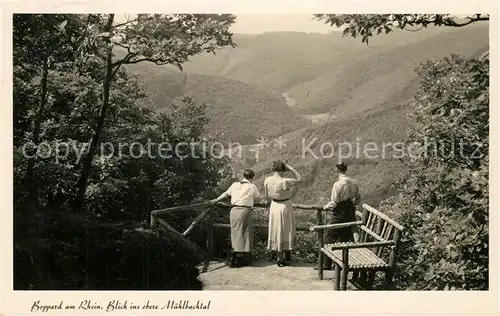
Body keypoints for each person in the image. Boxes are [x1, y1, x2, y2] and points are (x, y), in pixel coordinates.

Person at [209, 169, 263, 268]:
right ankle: (239, 259)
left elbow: (225, 194)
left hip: (233, 210)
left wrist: (216, 200)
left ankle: (235, 256)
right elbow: (259, 198)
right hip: (244, 210)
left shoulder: (234, 185)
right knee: (244, 233)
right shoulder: (252, 186)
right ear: (251, 178)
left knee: (235, 233)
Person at [321, 161, 361, 270]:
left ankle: (327, 264)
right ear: (346, 170)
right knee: (345, 236)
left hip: (340, 212)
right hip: (350, 211)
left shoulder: (338, 184)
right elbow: (358, 197)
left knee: (329, 234)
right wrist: (352, 204)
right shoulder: (354, 182)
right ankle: (341, 263)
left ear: (337, 171)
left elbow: (334, 202)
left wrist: (326, 207)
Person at [264, 160, 302, 267]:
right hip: (285, 205)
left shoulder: (267, 180)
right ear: (284, 170)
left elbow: (267, 196)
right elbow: (300, 179)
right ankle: (286, 255)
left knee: (277, 230)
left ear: (273, 169)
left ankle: (279, 257)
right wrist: (291, 168)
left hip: (274, 205)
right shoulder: (285, 181)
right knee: (286, 230)